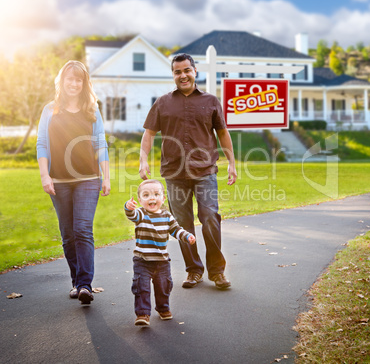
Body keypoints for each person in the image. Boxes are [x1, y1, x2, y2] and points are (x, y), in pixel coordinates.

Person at [139, 53, 237, 290]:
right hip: (174, 174)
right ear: (173, 75)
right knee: (182, 225)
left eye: (186, 70)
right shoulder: (162, 102)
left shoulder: (211, 101)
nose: (182, 75)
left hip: (205, 172)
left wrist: (231, 163)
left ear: (195, 72)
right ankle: (193, 270)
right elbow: (149, 133)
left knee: (210, 218)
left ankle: (217, 272)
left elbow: (222, 133)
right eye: (177, 71)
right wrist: (143, 160)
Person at [36, 60, 110, 305]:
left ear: (84, 83)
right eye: (70, 78)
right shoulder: (49, 110)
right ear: (62, 80)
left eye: (79, 80)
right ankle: (76, 281)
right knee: (68, 233)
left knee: (82, 229)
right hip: (58, 181)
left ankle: (85, 284)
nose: (74, 83)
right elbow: (42, 145)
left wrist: (106, 176)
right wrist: (45, 175)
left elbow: (101, 144)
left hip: (88, 178)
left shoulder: (92, 110)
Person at [124, 179, 196, 326]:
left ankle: (163, 308)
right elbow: (131, 215)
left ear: (163, 198)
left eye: (156, 194)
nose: (152, 198)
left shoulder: (167, 216)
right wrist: (128, 207)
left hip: (162, 261)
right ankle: (143, 314)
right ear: (140, 200)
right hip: (142, 260)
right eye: (146, 195)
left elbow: (176, 230)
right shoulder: (141, 214)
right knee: (141, 287)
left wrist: (187, 236)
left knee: (163, 286)